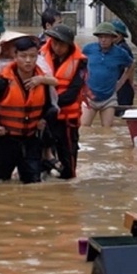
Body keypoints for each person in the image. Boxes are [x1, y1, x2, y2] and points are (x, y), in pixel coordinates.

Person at [0, 36, 58, 183]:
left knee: (33, 184)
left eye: (32, 56)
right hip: (5, 140)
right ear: (15, 56)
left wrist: (43, 120)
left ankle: (49, 156)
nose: (28, 60)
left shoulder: (42, 82)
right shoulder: (3, 81)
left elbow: (50, 106)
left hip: (31, 140)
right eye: (23, 56)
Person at [40, 24, 87, 179]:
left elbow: (72, 93)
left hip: (67, 118)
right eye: (54, 43)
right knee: (39, 158)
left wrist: (50, 104)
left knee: (68, 163)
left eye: (61, 44)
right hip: (45, 116)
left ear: (69, 45)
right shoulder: (40, 56)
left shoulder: (80, 62)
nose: (57, 47)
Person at [81, 22, 134, 127]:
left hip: (109, 98)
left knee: (107, 130)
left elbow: (131, 65)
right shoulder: (89, 49)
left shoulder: (120, 53)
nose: (103, 40)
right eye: (101, 37)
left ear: (113, 38)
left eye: (106, 37)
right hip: (89, 97)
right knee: (84, 127)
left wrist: (121, 82)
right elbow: (78, 61)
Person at [111, 19, 137, 106]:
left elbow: (130, 67)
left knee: (121, 113)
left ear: (120, 35)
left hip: (123, 89)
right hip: (120, 86)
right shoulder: (116, 48)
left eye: (114, 35)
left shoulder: (122, 49)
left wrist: (131, 82)